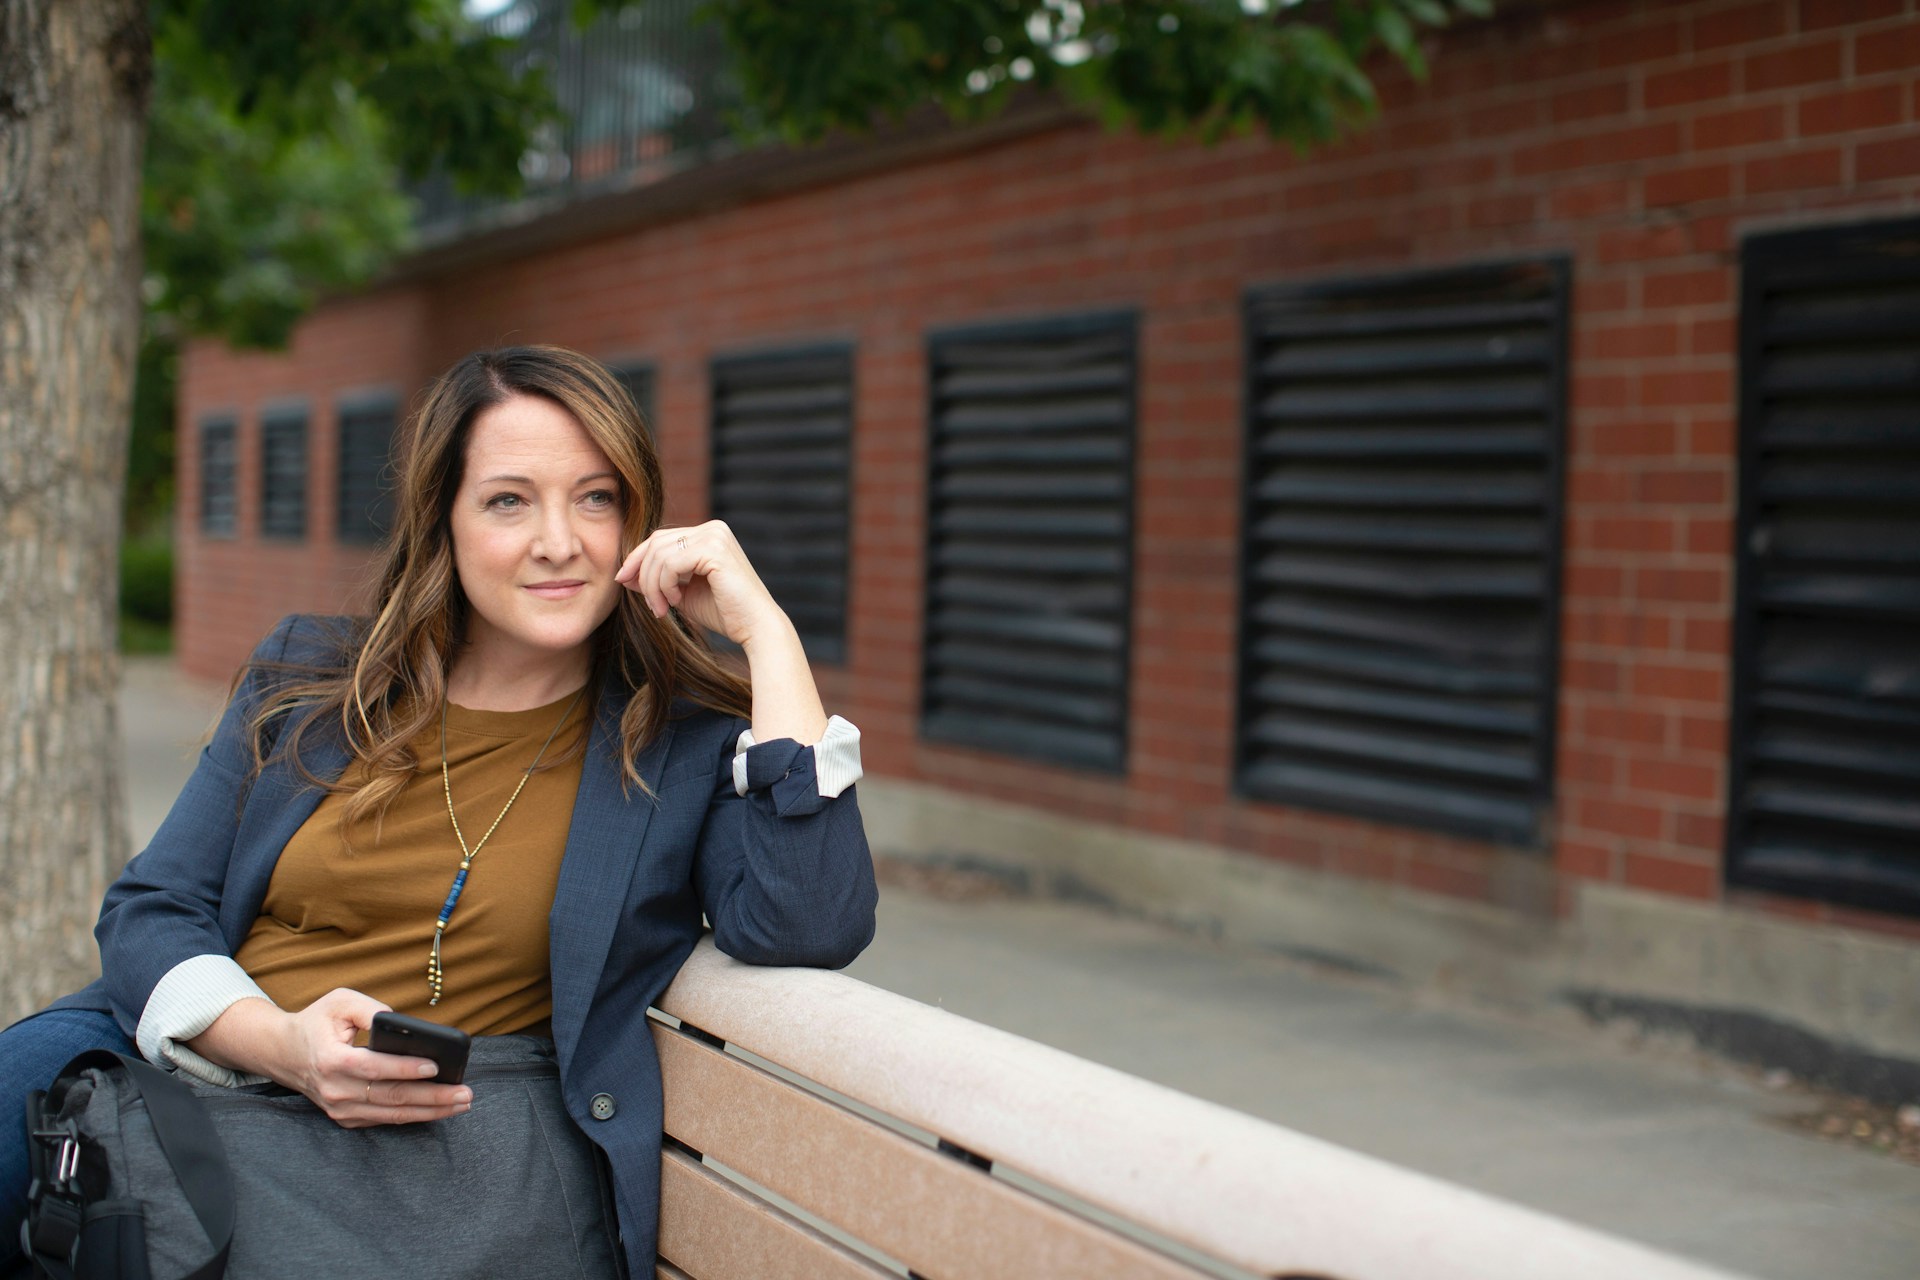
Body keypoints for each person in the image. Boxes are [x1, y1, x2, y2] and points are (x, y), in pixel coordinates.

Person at [0, 345, 877, 1277]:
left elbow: (809, 922)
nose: (559, 542)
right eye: (508, 501)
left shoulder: (682, 741)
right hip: (201, 1091)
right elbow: (151, 907)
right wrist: (284, 1046)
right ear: (443, 521)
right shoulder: (311, 676)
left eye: (596, 498)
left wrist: (767, 634)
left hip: (436, 1175)